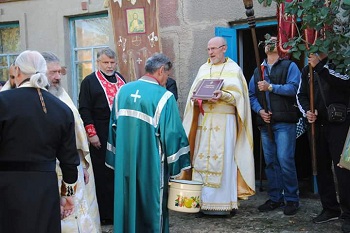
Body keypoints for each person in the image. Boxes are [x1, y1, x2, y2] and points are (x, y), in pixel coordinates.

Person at [106, 53, 191, 233]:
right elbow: (173, 134)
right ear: (161, 71)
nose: (167, 80)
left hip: (125, 164)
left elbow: (113, 127)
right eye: (167, 75)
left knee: (126, 204)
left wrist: (116, 159)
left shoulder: (122, 91)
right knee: (152, 206)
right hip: (151, 166)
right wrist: (178, 166)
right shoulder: (164, 97)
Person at [0, 50, 79, 233]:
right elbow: (69, 161)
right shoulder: (61, 108)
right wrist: (67, 196)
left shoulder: (3, 103)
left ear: (17, 71)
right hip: (44, 188)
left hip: (6, 187)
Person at [182, 36, 255, 216]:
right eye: (208, 49)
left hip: (225, 124)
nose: (210, 52)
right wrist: (195, 99)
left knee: (224, 161)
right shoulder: (203, 69)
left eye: (214, 49)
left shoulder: (234, 69)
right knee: (200, 160)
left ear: (224, 48)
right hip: (204, 123)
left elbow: (240, 98)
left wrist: (223, 95)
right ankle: (201, 203)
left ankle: (224, 205)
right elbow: (195, 94)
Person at [42, 52, 101, 233]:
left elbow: (77, 130)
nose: (58, 77)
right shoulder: (35, 99)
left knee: (79, 208)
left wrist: (83, 163)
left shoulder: (62, 94)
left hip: (72, 164)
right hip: (50, 167)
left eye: (59, 72)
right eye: (52, 72)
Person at [297, 52, 350, 232]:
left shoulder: (340, 63)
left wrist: (320, 67)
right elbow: (301, 95)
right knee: (321, 168)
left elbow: (345, 84)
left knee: (343, 170)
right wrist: (307, 112)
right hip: (317, 125)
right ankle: (330, 208)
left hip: (340, 124)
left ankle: (348, 213)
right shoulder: (306, 70)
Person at [248, 35, 301, 215]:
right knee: (271, 162)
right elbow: (252, 95)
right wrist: (260, 111)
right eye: (267, 42)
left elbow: (295, 88)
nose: (269, 44)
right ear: (264, 48)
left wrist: (271, 87)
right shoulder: (258, 70)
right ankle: (275, 198)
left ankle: (292, 200)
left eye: (273, 41)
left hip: (285, 122)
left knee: (285, 160)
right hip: (266, 123)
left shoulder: (289, 66)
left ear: (279, 46)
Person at [78, 47, 126, 224]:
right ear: (98, 62)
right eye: (106, 62)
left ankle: (120, 210)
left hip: (120, 132)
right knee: (103, 173)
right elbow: (84, 108)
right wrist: (92, 134)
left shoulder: (121, 79)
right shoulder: (89, 82)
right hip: (100, 131)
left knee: (118, 172)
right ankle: (106, 215)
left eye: (112, 62)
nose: (109, 66)